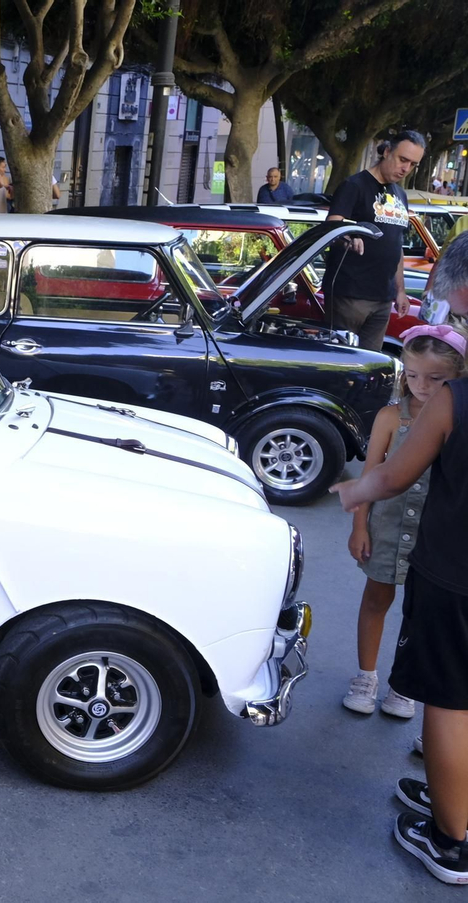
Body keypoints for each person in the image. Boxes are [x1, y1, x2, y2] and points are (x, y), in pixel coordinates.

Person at [331, 236, 468, 886]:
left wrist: (354, 491)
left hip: (455, 569)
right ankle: (456, 803)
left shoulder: (452, 401)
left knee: (448, 703)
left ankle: (450, 839)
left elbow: (391, 475)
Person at [342, 326, 468, 719]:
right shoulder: (389, 417)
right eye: (412, 375)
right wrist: (359, 525)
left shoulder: (455, 417)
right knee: (377, 599)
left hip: (432, 537)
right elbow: (371, 472)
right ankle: (366, 676)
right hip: (387, 526)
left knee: (421, 612)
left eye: (435, 378)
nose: (422, 386)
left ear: (457, 378)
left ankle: (405, 686)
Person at [325, 130, 424, 351]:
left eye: (413, 164)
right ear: (387, 151)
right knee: (341, 360)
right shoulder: (354, 186)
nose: (406, 168)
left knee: (370, 366)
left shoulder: (401, 195)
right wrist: (348, 237)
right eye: (403, 159)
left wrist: (400, 291)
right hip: (350, 293)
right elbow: (331, 227)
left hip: (383, 297)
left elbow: (396, 244)